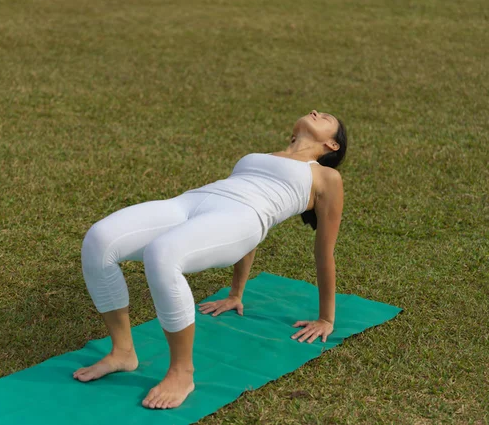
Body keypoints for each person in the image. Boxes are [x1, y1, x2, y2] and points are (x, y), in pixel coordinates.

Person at [73, 110, 347, 410]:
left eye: (327, 117)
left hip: (243, 217)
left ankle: (182, 373)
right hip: (192, 201)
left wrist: (326, 318)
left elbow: (324, 251)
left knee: (162, 254)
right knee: (99, 240)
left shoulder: (326, 177)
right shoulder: (258, 156)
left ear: (332, 146)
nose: (317, 111)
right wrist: (235, 293)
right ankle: (122, 351)